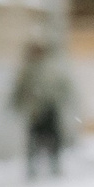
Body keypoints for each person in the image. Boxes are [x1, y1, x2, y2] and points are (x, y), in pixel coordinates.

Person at [10, 36, 77, 178]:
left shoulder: (51, 68)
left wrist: (61, 100)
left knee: (53, 138)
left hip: (50, 108)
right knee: (34, 140)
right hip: (35, 111)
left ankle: (54, 164)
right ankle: (33, 167)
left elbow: (64, 87)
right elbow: (19, 89)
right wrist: (17, 104)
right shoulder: (28, 69)